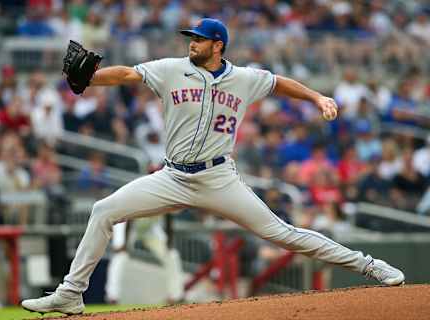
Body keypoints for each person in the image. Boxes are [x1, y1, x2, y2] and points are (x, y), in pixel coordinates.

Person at [22, 18, 405, 315]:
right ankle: (70, 294)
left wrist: (317, 96)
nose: (192, 42)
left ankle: (370, 266)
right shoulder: (172, 69)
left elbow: (279, 83)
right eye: (191, 37)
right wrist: (88, 79)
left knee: (283, 233)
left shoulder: (243, 79)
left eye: (199, 38)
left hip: (219, 176)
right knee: (103, 210)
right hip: (172, 176)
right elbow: (126, 74)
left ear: (217, 45)